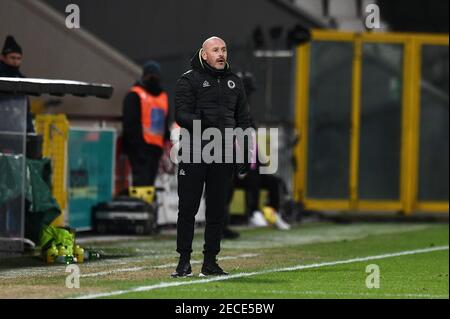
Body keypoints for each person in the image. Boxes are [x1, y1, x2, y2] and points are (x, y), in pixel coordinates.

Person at [172, 37, 251, 278]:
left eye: (224, 49)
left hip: (223, 152)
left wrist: (245, 152)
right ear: (204, 55)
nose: (221, 54)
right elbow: (180, 115)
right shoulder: (189, 80)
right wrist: (202, 124)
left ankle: (210, 262)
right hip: (195, 150)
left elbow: (244, 121)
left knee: (217, 210)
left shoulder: (235, 82)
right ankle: (183, 262)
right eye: (215, 50)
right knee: (188, 208)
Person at [122, 61, 170, 188]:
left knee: (149, 185)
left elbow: (164, 124)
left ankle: (147, 206)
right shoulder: (135, 95)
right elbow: (130, 124)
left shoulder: (163, 97)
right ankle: (141, 206)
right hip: (139, 150)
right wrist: (138, 148)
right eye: (151, 76)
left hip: (155, 151)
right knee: (141, 185)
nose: (153, 79)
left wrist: (164, 144)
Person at [0, 35, 35, 133]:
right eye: (12, 58)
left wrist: (30, 132)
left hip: (16, 131)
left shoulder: (21, 79)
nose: (16, 62)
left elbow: (26, 111)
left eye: (19, 58)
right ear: (2, 57)